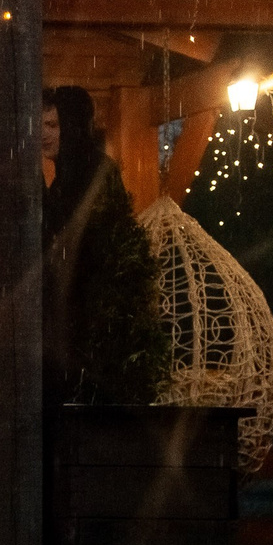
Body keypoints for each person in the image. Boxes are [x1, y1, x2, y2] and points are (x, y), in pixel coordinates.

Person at [42, 86, 166, 405]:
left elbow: (95, 244)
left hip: (89, 323)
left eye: (52, 125)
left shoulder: (94, 172)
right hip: (74, 318)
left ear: (71, 126)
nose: (43, 134)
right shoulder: (66, 176)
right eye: (40, 124)